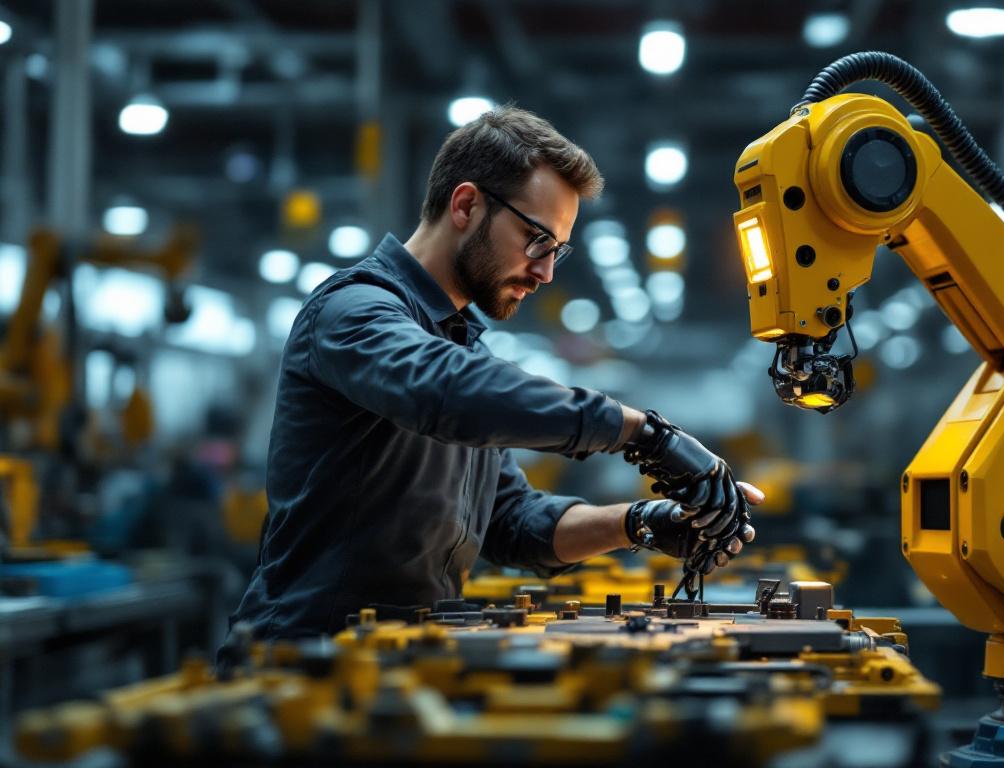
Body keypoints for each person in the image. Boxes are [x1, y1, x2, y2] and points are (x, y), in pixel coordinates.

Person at [226, 106, 759, 644]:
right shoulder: (354, 313)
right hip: (303, 658)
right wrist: (644, 433)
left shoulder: (457, 347)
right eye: (536, 240)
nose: (546, 272)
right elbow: (445, 391)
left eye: (557, 251)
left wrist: (641, 522)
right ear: (466, 205)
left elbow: (513, 520)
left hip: (402, 664)